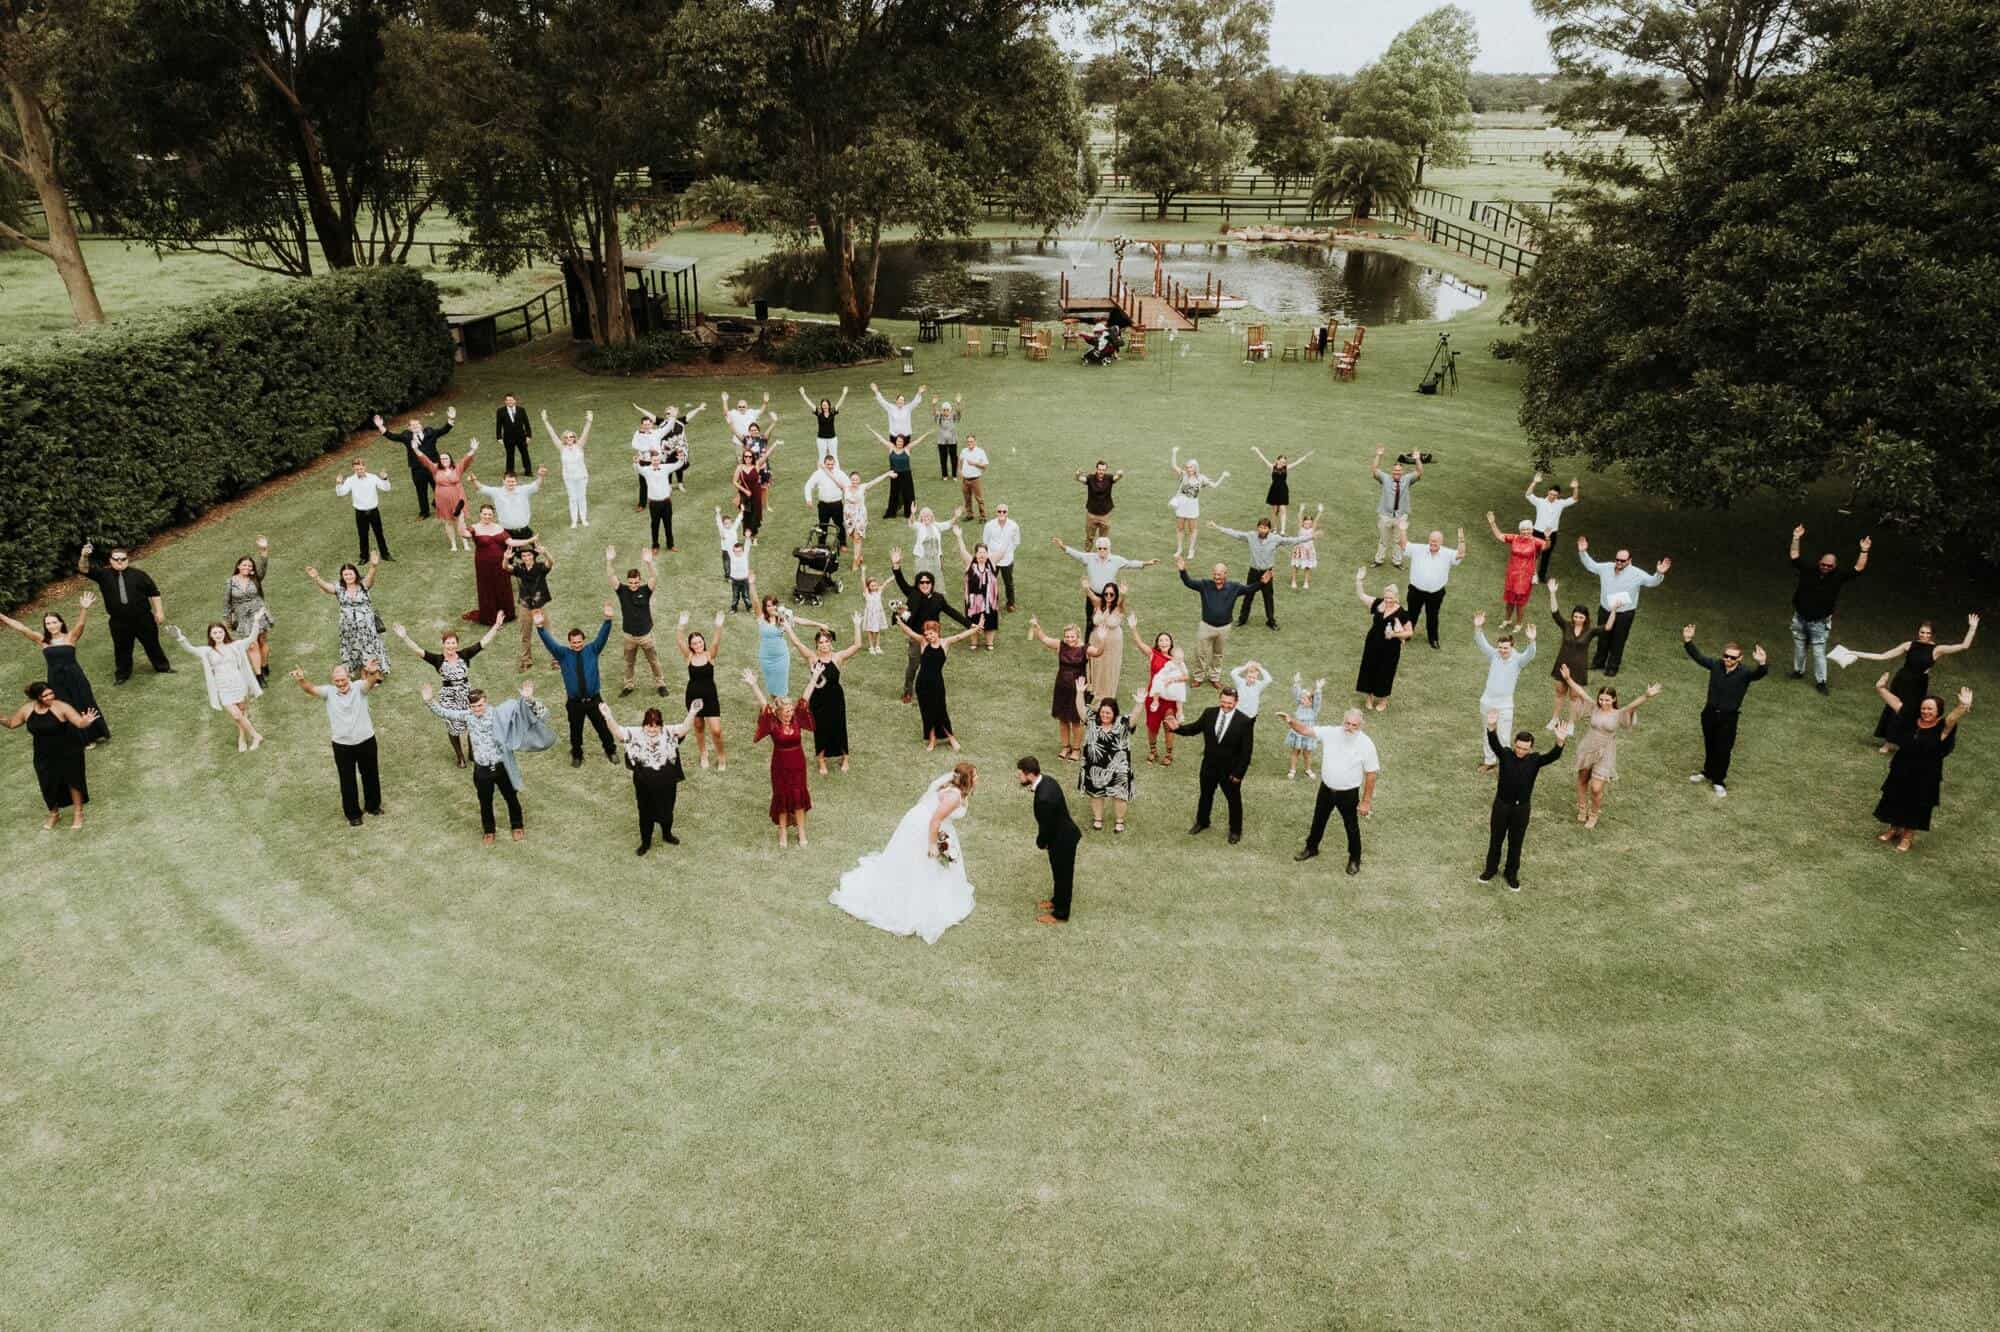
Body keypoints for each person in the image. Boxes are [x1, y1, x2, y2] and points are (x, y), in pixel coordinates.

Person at [830, 765, 977, 944]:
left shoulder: (955, 790)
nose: (978, 778)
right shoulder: (953, 797)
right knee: (921, 862)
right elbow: (935, 820)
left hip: (924, 821)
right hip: (928, 827)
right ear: (967, 779)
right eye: (975, 775)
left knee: (914, 861)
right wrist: (932, 844)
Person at [423, 680, 554, 845]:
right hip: (482, 770)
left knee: (511, 798)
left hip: (501, 766)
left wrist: (529, 698)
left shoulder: (499, 714)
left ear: (486, 701)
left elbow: (526, 712)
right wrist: (429, 701)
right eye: (474, 706)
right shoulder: (468, 717)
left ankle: (517, 826)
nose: (477, 709)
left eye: (480, 705)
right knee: (485, 802)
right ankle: (489, 830)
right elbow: (445, 713)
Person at [1837, 615, 1979, 752]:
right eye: (1922, 632)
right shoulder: (1909, 645)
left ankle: (1904, 742)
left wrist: (1972, 628)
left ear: (1932, 635)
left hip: (1918, 685)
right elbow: (1883, 656)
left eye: (1927, 633)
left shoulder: (1937, 650)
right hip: (1902, 681)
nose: (1924, 635)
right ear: (1918, 632)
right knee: (1894, 710)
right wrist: (1854, 652)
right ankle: (1888, 743)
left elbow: (1964, 646)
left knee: (1911, 713)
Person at [1870, 680, 1972, 852]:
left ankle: (1907, 837)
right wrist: (1880, 689)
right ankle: (1894, 829)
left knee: (1917, 805)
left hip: (1925, 774)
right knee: (1895, 798)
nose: (1925, 711)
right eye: (1924, 708)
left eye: (1930, 709)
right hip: (1901, 768)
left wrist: (1963, 706)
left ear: (1938, 711)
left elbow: (1952, 719)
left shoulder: (1942, 728)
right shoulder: (1912, 721)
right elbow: (1896, 704)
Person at [392, 614, 504, 767]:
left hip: (466, 694)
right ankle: (460, 757)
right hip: (448, 697)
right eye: (448, 643)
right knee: (452, 726)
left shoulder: (464, 655)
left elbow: (482, 642)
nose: (451, 646)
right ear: (443, 644)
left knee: (472, 721)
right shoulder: (437, 660)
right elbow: (418, 650)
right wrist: (405, 637)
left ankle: (472, 752)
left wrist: (496, 626)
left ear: (457, 645)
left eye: (453, 643)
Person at [1557, 667, 1662, 828]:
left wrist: (1646, 696)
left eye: (1607, 700)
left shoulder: (1618, 713)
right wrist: (1569, 679)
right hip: (1588, 746)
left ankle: (1594, 814)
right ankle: (1582, 808)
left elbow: (1632, 707)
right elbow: (1581, 692)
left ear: (1613, 700)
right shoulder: (1594, 707)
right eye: (1601, 699)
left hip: (1606, 751)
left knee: (1597, 788)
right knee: (1582, 778)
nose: (1603, 702)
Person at [1283, 706, 1379, 874]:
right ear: (1343, 721)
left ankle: (1355, 859)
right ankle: (1311, 848)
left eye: (1354, 725)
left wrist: (1365, 802)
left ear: (1360, 725)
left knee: (1351, 827)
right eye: (1347, 723)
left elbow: (1371, 774)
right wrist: (1291, 721)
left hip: (1348, 793)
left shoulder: (1366, 743)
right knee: (1318, 820)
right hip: (1326, 788)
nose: (1349, 727)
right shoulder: (1331, 732)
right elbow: (1306, 730)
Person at [1, 600, 111, 747]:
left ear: (61, 623)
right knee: (66, 706)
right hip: (56, 679)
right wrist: (2, 616)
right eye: (48, 623)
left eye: (54, 622)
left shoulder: (70, 637)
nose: (51, 626)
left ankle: (97, 733)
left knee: (85, 701)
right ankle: (84, 740)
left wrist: (84, 608)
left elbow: (80, 625)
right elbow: (22, 628)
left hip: (75, 676)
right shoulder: (43, 641)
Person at [1479, 716, 1570, 891]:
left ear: (1531, 748)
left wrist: (1560, 741)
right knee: (1496, 839)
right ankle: (1490, 870)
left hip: (1521, 809)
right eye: (1519, 747)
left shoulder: (1535, 760)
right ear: (1514, 744)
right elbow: (1494, 744)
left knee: (1516, 842)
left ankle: (1511, 874)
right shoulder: (1505, 755)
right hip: (1502, 806)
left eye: (1525, 749)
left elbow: (1553, 756)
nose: (1521, 751)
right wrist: (1491, 727)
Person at [600, 701, 702, 854]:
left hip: (667, 783)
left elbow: (684, 729)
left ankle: (667, 835)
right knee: (645, 814)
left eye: (655, 726)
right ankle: (645, 843)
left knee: (667, 811)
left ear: (660, 725)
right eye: (649, 725)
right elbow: (618, 732)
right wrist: (608, 716)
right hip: (644, 784)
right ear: (644, 724)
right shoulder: (635, 733)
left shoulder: (668, 731)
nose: (652, 729)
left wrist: (693, 712)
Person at [292, 659, 385, 827]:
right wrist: (301, 680)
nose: (341, 683)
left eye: (343, 679)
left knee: (371, 774)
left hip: (366, 741)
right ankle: (353, 815)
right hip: (342, 746)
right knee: (347, 780)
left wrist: (371, 672)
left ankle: (373, 807)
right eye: (337, 681)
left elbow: (371, 681)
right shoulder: (328, 692)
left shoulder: (359, 688)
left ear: (349, 676)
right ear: (332, 680)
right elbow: (310, 689)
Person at [1682, 625, 1768, 797]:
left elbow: (1759, 674)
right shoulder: (1716, 665)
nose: (1728, 659)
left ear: (1740, 658)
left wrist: (1762, 662)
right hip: (1710, 713)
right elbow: (1699, 657)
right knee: (1710, 743)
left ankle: (1719, 781)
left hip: (1729, 717)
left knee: (1724, 749)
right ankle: (1707, 772)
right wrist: (1688, 641)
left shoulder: (1744, 673)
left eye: (1732, 657)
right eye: (1726, 656)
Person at [2, 682, 98, 830]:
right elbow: (12, 723)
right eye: (45, 695)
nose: (50, 697)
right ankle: (54, 814)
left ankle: (78, 813)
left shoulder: (61, 706)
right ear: (37, 697)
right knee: (47, 783)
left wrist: (85, 722)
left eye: (51, 693)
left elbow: (79, 722)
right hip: (43, 754)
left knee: (73, 780)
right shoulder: (27, 710)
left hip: (68, 750)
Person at [1787, 524, 1871, 694]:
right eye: (1823, 564)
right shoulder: (1809, 570)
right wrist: (1796, 538)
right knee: (1799, 645)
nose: (1825, 567)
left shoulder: (1838, 576)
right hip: (1800, 617)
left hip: (1819, 622)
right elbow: (1794, 556)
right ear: (1819, 562)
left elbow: (1858, 569)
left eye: (1829, 566)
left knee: (1818, 652)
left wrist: (1864, 551)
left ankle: (1821, 682)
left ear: (1834, 566)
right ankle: (1798, 671)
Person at [744, 663, 820, 847]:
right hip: (780, 765)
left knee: (799, 796)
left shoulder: (796, 718)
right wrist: (753, 684)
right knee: (782, 796)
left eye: (791, 711)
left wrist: (815, 676)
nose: (790, 714)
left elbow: (806, 697)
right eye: (786, 712)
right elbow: (763, 703)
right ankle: (783, 832)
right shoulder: (772, 722)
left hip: (798, 764)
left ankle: (802, 831)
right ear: (778, 712)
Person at [74, 542, 171, 684]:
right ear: (110, 560)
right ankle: (122, 675)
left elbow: (154, 593)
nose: (120, 562)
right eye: (116, 559)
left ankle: (163, 667)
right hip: (119, 621)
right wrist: (84, 555)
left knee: (152, 644)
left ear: (128, 559)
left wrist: (159, 612)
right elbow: (84, 569)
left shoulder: (140, 575)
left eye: (123, 559)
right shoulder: (103, 575)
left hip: (143, 618)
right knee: (121, 649)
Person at [536, 605, 619, 768]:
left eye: (579, 642)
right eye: (574, 643)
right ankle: (577, 754)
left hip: (595, 700)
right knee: (575, 731)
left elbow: (602, 637)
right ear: (569, 642)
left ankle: (611, 750)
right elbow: (550, 643)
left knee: (603, 728)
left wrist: (608, 620)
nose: (577, 645)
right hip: (574, 703)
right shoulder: (563, 654)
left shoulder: (593, 650)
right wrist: (540, 627)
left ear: (584, 640)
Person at [1576, 536, 1672, 676]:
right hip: (1605, 610)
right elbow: (1591, 565)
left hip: (1624, 614)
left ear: (1629, 561)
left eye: (1623, 561)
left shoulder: (1637, 574)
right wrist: (1583, 552)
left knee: (1618, 640)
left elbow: (1651, 582)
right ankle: (1598, 662)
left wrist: (1659, 573)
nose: (1619, 563)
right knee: (1603, 637)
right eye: (1617, 560)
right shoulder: (1606, 568)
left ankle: (1612, 667)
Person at [1174, 684, 1254, 843]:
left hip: (1230, 771)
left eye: (1229, 703)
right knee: (1205, 795)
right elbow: (1194, 728)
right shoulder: (1209, 713)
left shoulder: (1244, 721)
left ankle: (1235, 831)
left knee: (1234, 801)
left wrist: (1239, 774)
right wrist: (1177, 728)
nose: (1225, 706)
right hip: (1209, 766)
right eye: (1223, 702)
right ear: (1220, 699)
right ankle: (1202, 822)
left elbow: (1246, 752)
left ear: (1236, 702)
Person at [786, 613, 864, 775]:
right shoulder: (812, 658)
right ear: (816, 645)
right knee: (820, 728)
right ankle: (821, 760)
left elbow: (857, 645)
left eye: (826, 641)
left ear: (831, 643)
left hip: (836, 698)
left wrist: (857, 624)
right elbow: (796, 643)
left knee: (839, 726)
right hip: (818, 699)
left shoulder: (838, 658)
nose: (824, 645)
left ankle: (845, 757)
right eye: (820, 642)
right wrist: (787, 628)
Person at [168, 622, 264, 751]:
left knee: (241, 713)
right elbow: (190, 649)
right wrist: (180, 637)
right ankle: (256, 736)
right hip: (223, 687)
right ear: (210, 635)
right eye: (214, 633)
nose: (218, 635)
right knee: (236, 715)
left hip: (239, 683)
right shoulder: (207, 650)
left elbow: (252, 637)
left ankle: (242, 738)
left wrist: (256, 621)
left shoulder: (235, 645)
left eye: (220, 632)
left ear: (225, 632)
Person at [887, 553, 971, 702]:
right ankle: (908, 692)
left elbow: (952, 612)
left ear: (932, 584)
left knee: (931, 669)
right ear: (918, 584)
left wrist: (969, 624)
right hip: (916, 638)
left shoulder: (938, 598)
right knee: (913, 666)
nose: (925, 585)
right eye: (921, 582)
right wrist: (896, 566)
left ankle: (928, 692)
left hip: (933, 639)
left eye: (927, 582)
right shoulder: (913, 593)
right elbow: (901, 582)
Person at [1175, 556, 1268, 688]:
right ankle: (1198, 677)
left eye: (1219, 574)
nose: (1216, 576)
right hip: (1206, 626)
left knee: (1218, 654)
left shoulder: (1234, 587)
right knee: (1200, 653)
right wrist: (1182, 570)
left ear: (1225, 574)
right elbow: (1189, 582)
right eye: (1214, 573)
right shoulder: (1205, 585)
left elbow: (1249, 589)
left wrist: (1262, 583)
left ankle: (1214, 677)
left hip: (1224, 628)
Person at [897, 617, 980, 750]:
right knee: (927, 712)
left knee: (941, 711)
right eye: (927, 634)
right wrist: (900, 623)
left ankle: (951, 738)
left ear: (937, 632)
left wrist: (975, 628)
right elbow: (910, 632)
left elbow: (959, 636)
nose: (929, 636)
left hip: (937, 683)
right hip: (922, 683)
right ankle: (932, 739)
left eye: (931, 633)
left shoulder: (945, 643)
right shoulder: (923, 643)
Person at [1210, 518, 1305, 630]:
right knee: (1248, 596)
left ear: (1269, 529)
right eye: (1260, 527)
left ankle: (1271, 621)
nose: (1262, 530)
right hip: (1253, 572)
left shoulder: (1275, 539)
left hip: (1267, 573)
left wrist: (1311, 537)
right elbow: (1235, 534)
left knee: (1268, 598)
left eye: (1265, 528)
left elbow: (1292, 540)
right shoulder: (1251, 536)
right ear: (1257, 527)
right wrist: (1217, 527)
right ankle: (1242, 619)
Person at [1021, 754, 1083, 923]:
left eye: (1021, 774)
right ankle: (1057, 900)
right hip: (1061, 835)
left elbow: (1046, 826)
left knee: (1064, 875)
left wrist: (1041, 843)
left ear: (1029, 774)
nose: (1019, 777)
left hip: (1062, 840)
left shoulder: (1043, 798)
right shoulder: (1048, 780)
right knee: (1058, 872)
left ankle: (1061, 913)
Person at [1071, 678, 1138, 835]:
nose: (1104, 715)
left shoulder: (1122, 723)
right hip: (1095, 766)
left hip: (1118, 768)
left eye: (1108, 713)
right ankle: (1098, 819)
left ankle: (1119, 821)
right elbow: (1080, 709)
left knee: (1120, 796)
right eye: (1102, 712)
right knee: (1095, 794)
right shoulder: (1093, 720)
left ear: (1114, 713)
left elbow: (1134, 718)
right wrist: (1079, 693)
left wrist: (1139, 704)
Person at [303, 556, 390, 677]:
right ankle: (362, 672)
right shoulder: (339, 588)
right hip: (348, 627)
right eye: (345, 575)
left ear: (355, 574)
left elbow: (370, 578)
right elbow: (327, 588)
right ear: (342, 576)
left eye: (350, 574)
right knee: (353, 648)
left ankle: (375, 674)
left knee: (369, 647)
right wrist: (316, 577)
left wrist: (373, 566)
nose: (348, 577)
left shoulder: (363, 585)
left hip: (366, 627)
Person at [1473, 612, 1537, 771]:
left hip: (1505, 704)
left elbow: (1530, 654)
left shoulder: (1518, 660)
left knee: (1503, 736)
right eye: (1500, 647)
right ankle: (1489, 761)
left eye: (1505, 648)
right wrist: (1478, 627)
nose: (1502, 651)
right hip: (1487, 700)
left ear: (1512, 646)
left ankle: (1507, 764)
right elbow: (1482, 644)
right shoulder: (1494, 655)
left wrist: (1531, 640)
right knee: (1488, 731)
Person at [1027, 617, 1097, 760]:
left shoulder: (1085, 649)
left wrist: (1104, 639)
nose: (1069, 639)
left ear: (1078, 636)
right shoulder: (1060, 645)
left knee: (1077, 720)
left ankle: (1076, 749)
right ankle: (1065, 747)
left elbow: (1099, 652)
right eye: (1066, 636)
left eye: (1072, 636)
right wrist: (1036, 626)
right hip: (1062, 687)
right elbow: (1044, 639)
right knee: (1063, 719)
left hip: (1078, 689)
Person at [1542, 580, 1608, 729]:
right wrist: (1552, 593)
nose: (1577, 619)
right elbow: (1555, 613)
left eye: (1581, 617)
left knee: (1574, 696)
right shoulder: (1566, 626)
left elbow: (1608, 627)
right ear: (1573, 617)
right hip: (1562, 664)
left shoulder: (1590, 631)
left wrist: (1615, 610)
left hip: (1578, 668)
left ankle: (1571, 722)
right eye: (1576, 616)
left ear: (1586, 618)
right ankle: (1555, 719)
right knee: (1559, 692)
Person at [1055, 535, 1158, 629]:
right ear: (1097, 549)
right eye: (1100, 548)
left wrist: (1147, 563)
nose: (1102, 550)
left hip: (1109, 596)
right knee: (1091, 621)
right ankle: (1089, 646)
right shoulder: (1090, 558)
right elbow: (1076, 554)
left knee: (1110, 621)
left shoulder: (1116, 560)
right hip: (1092, 594)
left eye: (1105, 548)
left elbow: (1130, 563)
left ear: (1109, 549)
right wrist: (1062, 546)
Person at [606, 546, 666, 698]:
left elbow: (654, 577)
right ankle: (628, 685)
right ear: (628, 581)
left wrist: (649, 563)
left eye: (636, 582)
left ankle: (661, 684)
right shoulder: (622, 591)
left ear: (640, 581)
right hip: (629, 636)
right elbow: (611, 576)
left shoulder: (646, 590)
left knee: (653, 661)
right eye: (631, 582)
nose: (633, 585)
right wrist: (609, 561)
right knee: (628, 663)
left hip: (646, 635)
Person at [373, 407, 455, 520]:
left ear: (421, 425)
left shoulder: (430, 432)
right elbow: (391, 436)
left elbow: (444, 430)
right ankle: (424, 513)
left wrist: (451, 418)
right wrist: (380, 426)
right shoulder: (406, 436)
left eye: (417, 424)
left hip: (434, 467)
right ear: (409, 428)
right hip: (417, 469)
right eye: (413, 425)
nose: (416, 426)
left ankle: (439, 504)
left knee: (440, 487)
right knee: (421, 491)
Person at [1351, 571, 1415, 710]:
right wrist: (1359, 581)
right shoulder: (1378, 604)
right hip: (1373, 642)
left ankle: (1383, 700)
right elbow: (1362, 595)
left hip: (1390, 648)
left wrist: (1394, 635)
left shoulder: (1402, 613)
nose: (1388, 601)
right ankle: (1369, 698)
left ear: (1396, 598)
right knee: (1369, 668)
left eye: (1391, 598)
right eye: (1386, 597)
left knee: (1386, 672)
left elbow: (1410, 632)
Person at [675, 610, 729, 770]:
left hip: (710, 698)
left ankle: (721, 757)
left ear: (703, 643)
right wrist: (681, 625)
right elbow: (679, 641)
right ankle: (703, 753)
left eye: (700, 642)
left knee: (716, 730)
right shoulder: (689, 657)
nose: (698, 645)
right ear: (691, 646)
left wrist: (718, 626)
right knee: (698, 726)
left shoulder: (709, 655)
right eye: (694, 643)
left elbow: (716, 642)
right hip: (693, 698)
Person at [403, 439, 479, 550]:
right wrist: (415, 449)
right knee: (448, 522)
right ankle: (453, 544)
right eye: (442, 458)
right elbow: (424, 460)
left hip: (458, 498)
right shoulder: (435, 469)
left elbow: (465, 460)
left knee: (460, 520)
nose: (444, 460)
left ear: (450, 459)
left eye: (446, 458)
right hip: (443, 500)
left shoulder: (457, 469)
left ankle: (465, 543)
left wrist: (473, 449)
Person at [1400, 523, 1465, 649]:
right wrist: (1402, 529)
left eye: (1436, 541)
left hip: (1436, 593)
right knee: (1412, 614)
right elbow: (1403, 545)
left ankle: (1433, 639)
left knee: (1433, 616)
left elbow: (1461, 554)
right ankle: (1407, 634)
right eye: (1431, 540)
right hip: (1415, 591)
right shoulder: (1418, 549)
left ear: (1441, 542)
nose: (1433, 543)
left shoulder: (1447, 553)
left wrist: (1461, 540)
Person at [1131, 619, 1188, 766]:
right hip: (1154, 695)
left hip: (1170, 698)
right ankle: (1153, 750)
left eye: (1166, 640)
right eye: (1161, 640)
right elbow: (1139, 643)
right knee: (1152, 725)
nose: (1163, 643)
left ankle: (1169, 753)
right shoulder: (1153, 654)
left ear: (1171, 643)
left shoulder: (1177, 659)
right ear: (1157, 643)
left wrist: (1173, 680)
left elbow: (1185, 677)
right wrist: (1133, 628)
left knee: (1169, 725)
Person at [755, 587, 826, 698]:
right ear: (765, 607)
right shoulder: (761, 618)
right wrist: (752, 585)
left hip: (781, 657)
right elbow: (755, 602)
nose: (772, 607)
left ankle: (785, 710)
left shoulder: (783, 617)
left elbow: (801, 621)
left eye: (774, 605)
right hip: (766, 658)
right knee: (772, 686)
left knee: (782, 688)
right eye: (769, 605)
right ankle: (776, 707)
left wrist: (819, 624)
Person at [1483, 512, 1547, 631]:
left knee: (1521, 602)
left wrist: (1547, 538)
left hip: (1526, 576)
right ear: (1520, 530)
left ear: (1532, 530)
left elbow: (1546, 546)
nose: (1526, 532)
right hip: (1512, 574)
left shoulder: (1535, 541)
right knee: (1509, 599)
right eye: (1523, 530)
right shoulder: (1515, 538)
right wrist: (1492, 523)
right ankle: (1507, 619)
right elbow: (1500, 536)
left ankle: (1519, 623)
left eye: (1528, 529)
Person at [222, 536, 274, 679]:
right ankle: (258, 676)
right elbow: (226, 602)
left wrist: (263, 549)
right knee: (252, 645)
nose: (247, 567)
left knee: (262, 640)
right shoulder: (230, 582)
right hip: (242, 616)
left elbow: (263, 566)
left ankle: (264, 665)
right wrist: (227, 620)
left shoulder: (255, 578)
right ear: (238, 566)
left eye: (250, 566)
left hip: (258, 612)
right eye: (244, 565)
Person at [459, 503, 517, 627]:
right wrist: (460, 518)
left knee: (503, 585)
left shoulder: (499, 527)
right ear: (480, 514)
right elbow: (464, 534)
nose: (487, 516)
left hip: (501, 563)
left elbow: (510, 541)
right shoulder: (474, 528)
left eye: (489, 514)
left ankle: (506, 612)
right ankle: (490, 615)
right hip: (483, 564)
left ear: (493, 515)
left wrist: (529, 541)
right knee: (487, 587)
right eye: (484, 514)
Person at [1167, 446, 1228, 559]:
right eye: (1188, 467)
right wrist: (1174, 453)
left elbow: (1214, 486)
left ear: (1195, 468)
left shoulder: (1201, 478)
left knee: (1192, 529)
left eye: (1191, 467)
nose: (1189, 469)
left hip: (1193, 505)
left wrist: (1222, 477)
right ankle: (1179, 549)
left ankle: (1191, 550)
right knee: (1180, 527)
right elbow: (1173, 466)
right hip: (1181, 503)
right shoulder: (1183, 475)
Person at [1369, 445, 1422, 567]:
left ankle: (1397, 562)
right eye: (1395, 471)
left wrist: (1417, 459)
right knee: (1383, 540)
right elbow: (1375, 469)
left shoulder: (1407, 479)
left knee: (1398, 541)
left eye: (1399, 471)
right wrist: (1378, 455)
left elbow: (1419, 472)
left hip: (1401, 516)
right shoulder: (1385, 479)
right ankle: (1378, 560)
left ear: (1402, 472)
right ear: (1392, 472)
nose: (1397, 473)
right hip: (1385, 516)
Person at [335, 457, 395, 564]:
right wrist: (339, 483)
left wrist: (385, 479)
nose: (359, 471)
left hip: (374, 511)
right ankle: (364, 557)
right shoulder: (350, 480)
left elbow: (386, 488)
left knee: (379, 533)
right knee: (362, 535)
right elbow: (341, 493)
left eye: (361, 468)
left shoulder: (373, 478)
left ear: (365, 467)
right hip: (360, 512)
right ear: (353, 469)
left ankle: (385, 554)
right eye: (357, 469)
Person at [506, 539, 555, 670]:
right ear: (521, 558)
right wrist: (505, 559)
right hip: (525, 606)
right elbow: (505, 567)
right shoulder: (519, 568)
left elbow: (550, 563)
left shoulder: (540, 568)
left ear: (533, 555)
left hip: (539, 605)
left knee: (547, 634)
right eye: (524, 556)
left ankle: (555, 659)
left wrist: (545, 553)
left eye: (529, 555)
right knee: (525, 635)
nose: (526, 557)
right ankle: (526, 661)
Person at [952, 527, 1004, 651]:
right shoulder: (970, 562)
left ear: (987, 553)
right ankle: (974, 642)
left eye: (984, 552)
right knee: (973, 621)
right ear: (975, 554)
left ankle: (989, 642)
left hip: (990, 601)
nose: (982, 554)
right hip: (973, 601)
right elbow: (963, 550)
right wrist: (959, 536)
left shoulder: (991, 562)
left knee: (990, 621)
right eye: (979, 552)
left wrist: (1003, 535)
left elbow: (1002, 550)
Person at [1524, 472, 1580, 584]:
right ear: (1547, 493)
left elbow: (1574, 499)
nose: (1552, 496)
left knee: (1546, 556)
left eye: (1554, 495)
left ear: (1558, 495)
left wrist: (1575, 488)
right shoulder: (1540, 502)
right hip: (1538, 532)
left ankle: (1541, 576)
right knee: (1534, 554)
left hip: (1551, 534)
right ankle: (1530, 575)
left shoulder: (1560, 503)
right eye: (1550, 494)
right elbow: (1528, 494)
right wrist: (1535, 482)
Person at [543, 408, 592, 528]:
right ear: (564, 439)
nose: (569, 439)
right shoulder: (561, 448)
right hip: (569, 477)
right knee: (572, 498)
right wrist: (545, 421)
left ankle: (584, 519)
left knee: (582, 497)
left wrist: (589, 421)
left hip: (581, 476)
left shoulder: (579, 446)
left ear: (574, 438)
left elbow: (585, 433)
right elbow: (552, 435)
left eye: (571, 437)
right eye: (567, 437)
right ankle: (574, 521)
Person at [1251, 446, 1315, 533]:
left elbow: (1297, 462)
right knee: (1275, 511)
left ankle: (1283, 530)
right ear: (1277, 460)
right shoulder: (1272, 467)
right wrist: (1257, 450)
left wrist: (1306, 456)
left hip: (1283, 489)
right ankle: (1274, 529)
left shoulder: (1286, 468)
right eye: (1281, 461)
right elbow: (1263, 459)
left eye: (1284, 462)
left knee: (1282, 509)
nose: (1283, 463)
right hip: (1274, 490)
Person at [474, 466, 547, 540]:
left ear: (516, 482)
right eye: (508, 481)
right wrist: (474, 480)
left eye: (513, 481)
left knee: (531, 551)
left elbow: (536, 485)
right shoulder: (496, 492)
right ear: (503, 481)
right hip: (506, 533)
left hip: (524, 531)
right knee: (508, 552)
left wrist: (541, 476)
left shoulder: (524, 490)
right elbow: (481, 488)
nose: (511, 484)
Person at [1084, 584, 1128, 704]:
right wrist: (1086, 587)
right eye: (1106, 594)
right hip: (1096, 640)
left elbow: (1120, 601)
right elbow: (1090, 595)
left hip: (1113, 643)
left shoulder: (1119, 607)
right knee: (1097, 666)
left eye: (1112, 594)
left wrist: (1123, 594)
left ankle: (1107, 696)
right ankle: (1095, 692)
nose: (1108, 596)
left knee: (1109, 667)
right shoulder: (1098, 604)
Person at [841, 469, 892, 570]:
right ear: (850, 480)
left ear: (859, 480)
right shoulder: (845, 488)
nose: (854, 482)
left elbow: (875, 481)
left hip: (860, 515)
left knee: (857, 538)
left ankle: (855, 562)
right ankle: (859, 555)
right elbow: (834, 479)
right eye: (852, 480)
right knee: (852, 536)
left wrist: (887, 474)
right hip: (848, 516)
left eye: (856, 480)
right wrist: (824, 469)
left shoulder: (863, 487)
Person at [636, 448, 686, 552]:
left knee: (668, 524)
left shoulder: (665, 468)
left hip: (666, 502)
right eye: (654, 460)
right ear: (651, 460)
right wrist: (636, 462)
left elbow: (677, 465)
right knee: (655, 525)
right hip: (654, 503)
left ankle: (670, 545)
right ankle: (655, 546)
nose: (656, 462)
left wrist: (681, 459)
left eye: (657, 460)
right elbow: (638, 468)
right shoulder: (646, 470)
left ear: (660, 459)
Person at [1284, 673, 1327, 780]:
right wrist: (1297, 682)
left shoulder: (1314, 710)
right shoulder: (1300, 706)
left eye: (1304, 700)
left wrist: (1318, 689)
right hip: (1297, 733)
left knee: (1307, 754)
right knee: (1295, 752)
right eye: (1301, 699)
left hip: (1308, 734)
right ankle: (1292, 769)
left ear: (1311, 701)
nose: (1301, 701)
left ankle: (1308, 769)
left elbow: (1317, 699)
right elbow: (1297, 694)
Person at [980, 504, 1022, 611]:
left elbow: (1016, 542)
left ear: (1007, 513)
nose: (1001, 513)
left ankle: (1010, 603)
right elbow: (985, 541)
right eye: (999, 511)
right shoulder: (989, 525)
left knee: (1008, 582)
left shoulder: (1014, 526)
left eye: (1004, 511)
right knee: (990, 582)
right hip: (992, 559)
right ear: (996, 512)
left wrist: (1008, 552)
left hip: (1007, 560)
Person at [871, 428, 919, 520]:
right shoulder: (891, 448)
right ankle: (891, 512)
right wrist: (872, 430)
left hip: (906, 474)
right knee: (894, 493)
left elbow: (917, 441)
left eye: (901, 442)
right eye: (898, 441)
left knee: (908, 493)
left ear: (904, 442)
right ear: (895, 441)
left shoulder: (907, 449)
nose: (899, 443)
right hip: (894, 474)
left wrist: (926, 434)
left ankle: (908, 512)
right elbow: (881, 439)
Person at [906, 505, 960, 582]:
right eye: (924, 516)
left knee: (935, 578)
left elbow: (949, 523)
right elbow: (912, 522)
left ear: (931, 517)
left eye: (928, 516)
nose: (926, 518)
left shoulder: (936, 526)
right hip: (922, 558)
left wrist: (956, 516)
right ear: (921, 518)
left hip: (935, 558)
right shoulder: (919, 526)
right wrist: (912, 513)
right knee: (923, 578)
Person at [804, 456, 849, 548]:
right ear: (824, 464)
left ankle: (842, 543)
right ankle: (821, 544)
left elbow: (848, 486)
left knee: (839, 524)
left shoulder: (839, 473)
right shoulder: (818, 474)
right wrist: (808, 499)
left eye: (832, 464)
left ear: (835, 464)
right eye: (828, 464)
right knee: (822, 525)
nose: (830, 466)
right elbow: (808, 485)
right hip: (823, 505)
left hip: (836, 504)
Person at [799, 386, 849, 466]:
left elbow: (839, 403)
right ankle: (821, 473)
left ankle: (837, 472)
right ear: (821, 406)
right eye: (823, 405)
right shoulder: (819, 413)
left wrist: (844, 393)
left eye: (826, 405)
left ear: (829, 405)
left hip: (832, 438)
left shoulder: (832, 412)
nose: (824, 406)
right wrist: (803, 394)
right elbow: (810, 404)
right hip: (821, 439)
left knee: (834, 456)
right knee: (822, 457)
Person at [1076, 460, 1123, 542]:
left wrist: (1120, 474)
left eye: (1103, 470)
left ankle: (1102, 554)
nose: (1101, 471)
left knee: (1103, 540)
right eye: (1100, 469)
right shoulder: (1090, 478)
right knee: (1089, 537)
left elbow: (1117, 478)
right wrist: (1077, 474)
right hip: (1091, 515)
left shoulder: (1109, 478)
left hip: (1104, 515)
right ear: (1096, 469)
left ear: (1105, 470)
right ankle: (1087, 553)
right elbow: (1080, 479)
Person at [495, 394, 535, 475]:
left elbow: (526, 423)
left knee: (525, 453)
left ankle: (528, 471)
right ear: (505, 402)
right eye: (508, 400)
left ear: (515, 401)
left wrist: (529, 435)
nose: (510, 402)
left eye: (511, 400)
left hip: (521, 437)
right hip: (508, 437)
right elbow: (498, 425)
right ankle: (510, 471)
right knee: (510, 454)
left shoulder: (521, 410)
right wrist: (499, 437)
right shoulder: (500, 411)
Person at [1288, 507, 1324, 590]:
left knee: (1307, 567)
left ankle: (1306, 582)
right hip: (1299, 550)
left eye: (1309, 523)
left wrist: (1320, 512)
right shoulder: (1300, 528)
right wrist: (1301, 510)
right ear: (1303, 523)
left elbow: (1316, 521)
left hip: (1309, 551)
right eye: (1306, 523)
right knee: (1295, 566)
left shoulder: (1312, 529)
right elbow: (1299, 518)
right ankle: (1293, 581)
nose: (1307, 525)